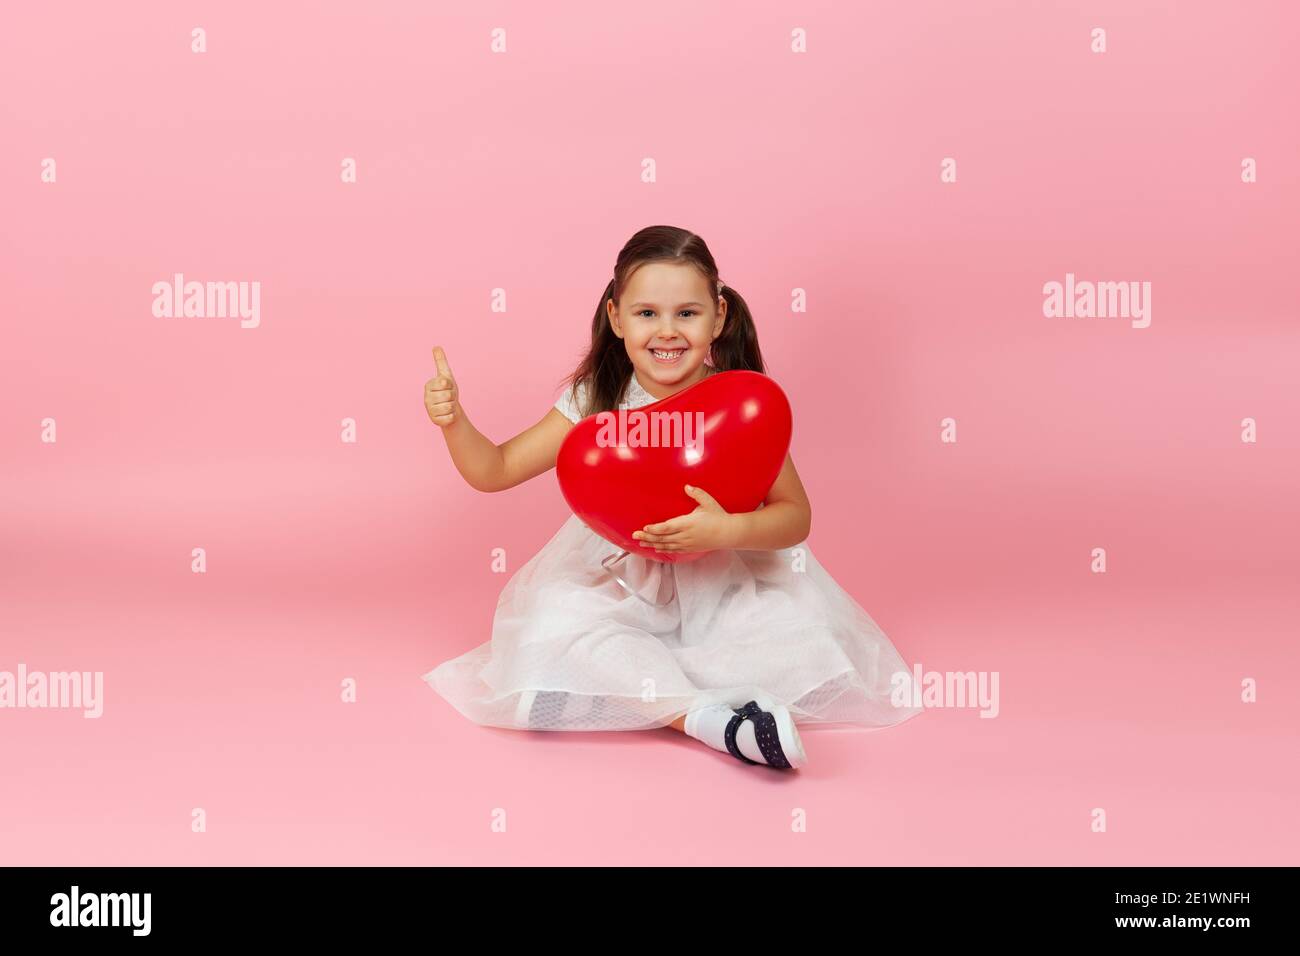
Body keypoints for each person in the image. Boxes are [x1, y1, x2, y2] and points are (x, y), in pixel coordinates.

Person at [422, 225, 921, 771]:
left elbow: (795, 517)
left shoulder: (742, 404)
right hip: (618, 580)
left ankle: (672, 697)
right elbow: (494, 470)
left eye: (687, 313)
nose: (668, 331)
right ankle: (714, 722)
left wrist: (726, 530)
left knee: (799, 634)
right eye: (646, 314)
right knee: (554, 622)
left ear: (719, 317)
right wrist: (454, 423)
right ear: (616, 319)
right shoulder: (596, 400)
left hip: (721, 578)